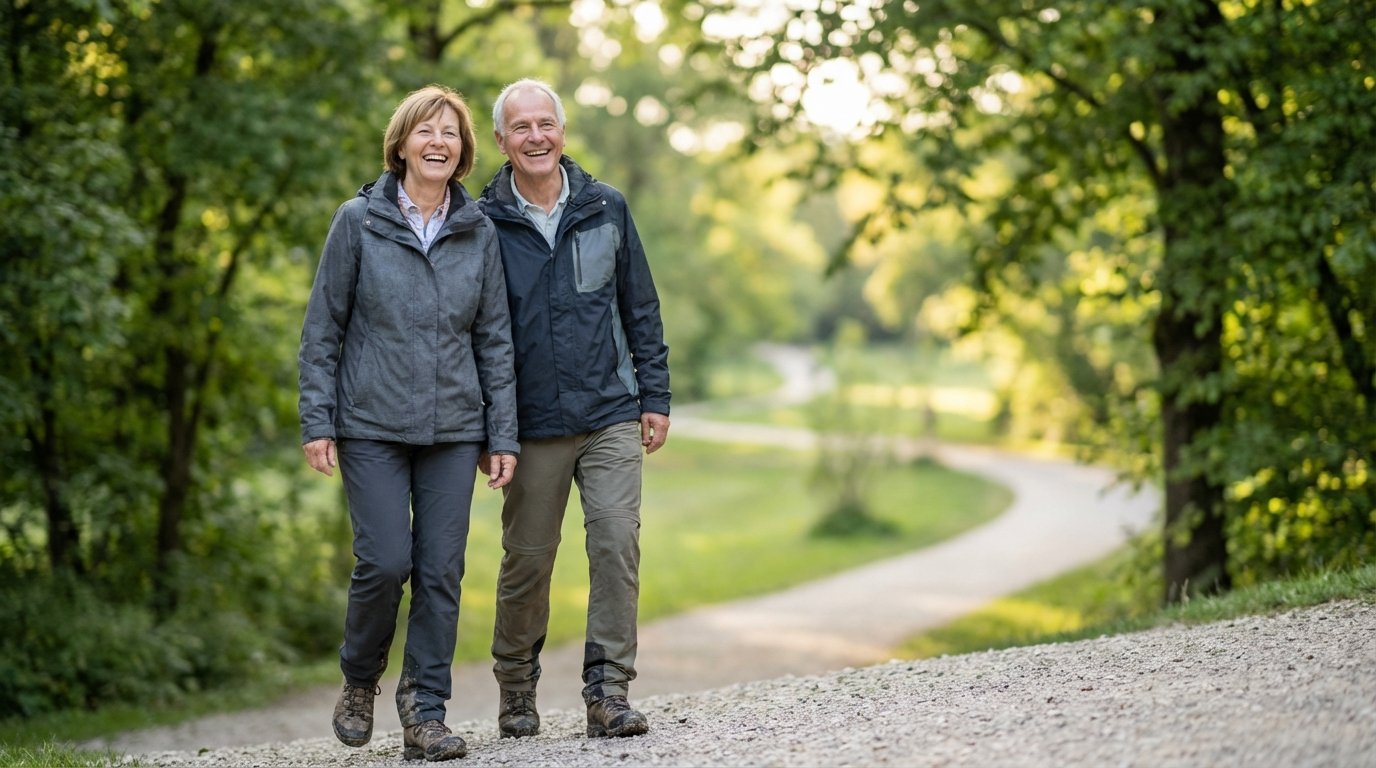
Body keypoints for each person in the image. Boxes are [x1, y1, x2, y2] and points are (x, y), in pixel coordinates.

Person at [298, 84, 519, 763]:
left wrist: (501, 433)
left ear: (463, 151)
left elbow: (495, 339)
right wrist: (318, 420)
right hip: (370, 424)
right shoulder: (357, 222)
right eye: (426, 131)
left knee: (441, 569)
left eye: (450, 133)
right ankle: (360, 680)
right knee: (385, 560)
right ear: (401, 143)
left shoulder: (476, 228)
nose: (438, 142)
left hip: (454, 428)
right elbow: (322, 330)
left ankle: (425, 710)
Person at [477, 78, 671, 741]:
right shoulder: (481, 223)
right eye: (521, 127)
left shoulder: (606, 207)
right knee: (527, 560)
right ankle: (516, 690)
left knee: (616, 545)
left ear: (562, 131)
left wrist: (656, 396)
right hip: (529, 425)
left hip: (611, 413)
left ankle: (608, 694)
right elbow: (477, 334)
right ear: (501, 141)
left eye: (546, 124)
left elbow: (639, 306)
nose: (536, 136)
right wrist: (490, 429)